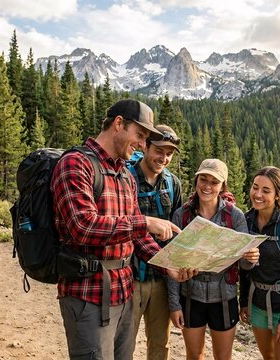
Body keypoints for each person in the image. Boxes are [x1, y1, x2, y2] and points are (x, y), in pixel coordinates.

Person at [50, 99, 197, 360]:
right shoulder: (76, 164)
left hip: (124, 293)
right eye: (139, 135)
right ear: (119, 124)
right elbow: (82, 226)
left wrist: (168, 266)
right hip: (88, 294)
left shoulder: (124, 175)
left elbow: (136, 235)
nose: (142, 144)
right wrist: (146, 222)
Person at [168, 159, 260, 360]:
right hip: (190, 296)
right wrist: (174, 305)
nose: (207, 186)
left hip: (224, 298)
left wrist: (251, 258)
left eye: (214, 182)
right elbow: (172, 263)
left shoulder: (234, 216)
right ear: (196, 180)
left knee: (223, 356)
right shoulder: (181, 216)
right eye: (203, 179)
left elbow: (243, 264)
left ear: (222, 186)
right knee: (194, 355)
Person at [240, 166, 280, 360]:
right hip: (258, 305)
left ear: (278, 195)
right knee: (268, 357)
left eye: (266, 190)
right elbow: (244, 269)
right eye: (255, 187)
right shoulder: (247, 220)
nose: (258, 194)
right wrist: (244, 301)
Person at [130, 124, 183, 360]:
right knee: (123, 343)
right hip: (129, 277)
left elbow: (179, 229)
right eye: (159, 150)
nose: (164, 158)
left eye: (169, 153)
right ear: (146, 146)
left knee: (160, 346)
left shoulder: (173, 184)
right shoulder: (126, 177)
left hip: (161, 279)